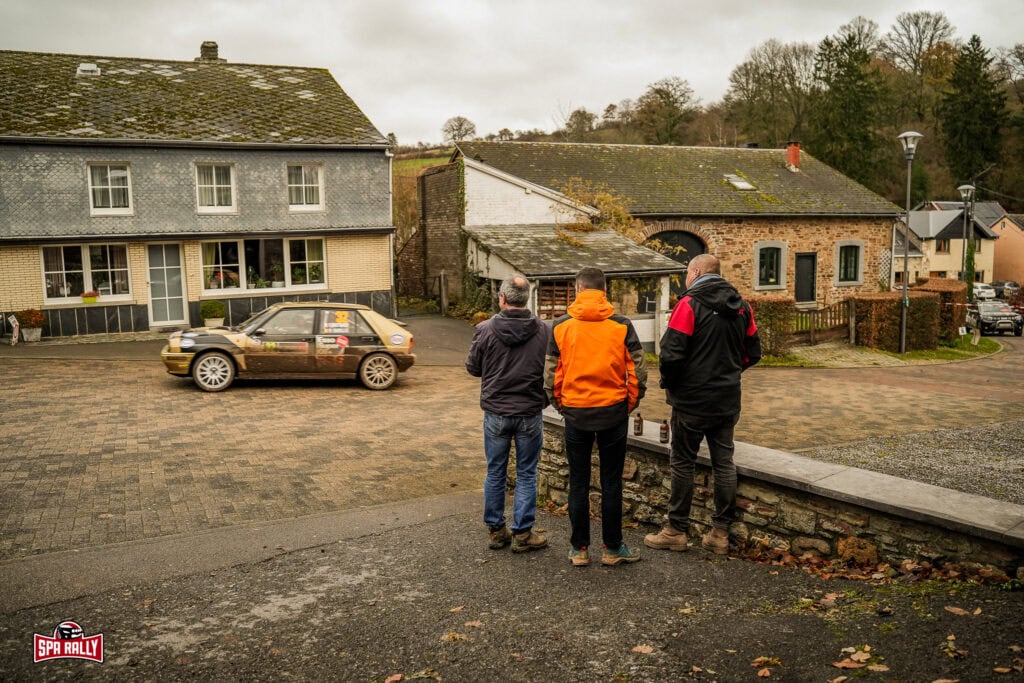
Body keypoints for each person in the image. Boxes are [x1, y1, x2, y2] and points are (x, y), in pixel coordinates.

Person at [644, 254, 761, 555]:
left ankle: (676, 530)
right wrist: (730, 373)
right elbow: (753, 352)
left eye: (687, 273)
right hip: (726, 399)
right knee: (724, 462)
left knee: (683, 461)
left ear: (695, 272)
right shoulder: (742, 306)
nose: (686, 278)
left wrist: (672, 383)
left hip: (691, 401)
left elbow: (671, 353)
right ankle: (720, 533)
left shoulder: (689, 304)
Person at [544, 267, 647, 567]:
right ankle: (612, 548)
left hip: (576, 412)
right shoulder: (621, 325)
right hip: (613, 411)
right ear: (604, 290)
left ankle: (579, 549)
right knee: (611, 481)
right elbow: (637, 370)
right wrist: (628, 404)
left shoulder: (561, 326)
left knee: (578, 481)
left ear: (578, 289)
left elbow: (551, 374)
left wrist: (561, 405)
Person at [466, 275, 549, 553]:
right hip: (529, 411)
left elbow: (473, 368)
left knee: (495, 471)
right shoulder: (543, 330)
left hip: (497, 411)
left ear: (502, 298)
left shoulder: (485, 329)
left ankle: (495, 530)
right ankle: (522, 534)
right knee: (527, 473)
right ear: (526, 299)